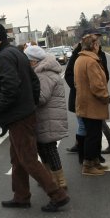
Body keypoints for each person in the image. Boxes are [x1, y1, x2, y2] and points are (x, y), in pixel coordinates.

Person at [0, 24, 69, 212]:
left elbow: (10, 87)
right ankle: (21, 196)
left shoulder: (6, 57)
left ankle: (57, 194)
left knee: (28, 159)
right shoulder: (16, 54)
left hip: (18, 117)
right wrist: (30, 102)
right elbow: (33, 81)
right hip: (24, 113)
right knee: (17, 159)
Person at [25, 45, 69, 190]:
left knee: (49, 149)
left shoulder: (43, 74)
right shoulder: (42, 71)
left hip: (48, 117)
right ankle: (49, 177)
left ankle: (60, 180)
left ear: (33, 61)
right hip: (46, 117)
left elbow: (41, 97)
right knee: (43, 148)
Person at [74, 31, 110, 176]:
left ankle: (95, 162)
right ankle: (88, 165)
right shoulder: (91, 61)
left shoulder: (81, 59)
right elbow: (97, 86)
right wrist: (105, 96)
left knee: (93, 133)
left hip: (84, 102)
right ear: (94, 45)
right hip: (92, 103)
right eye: (98, 44)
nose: (99, 46)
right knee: (93, 135)